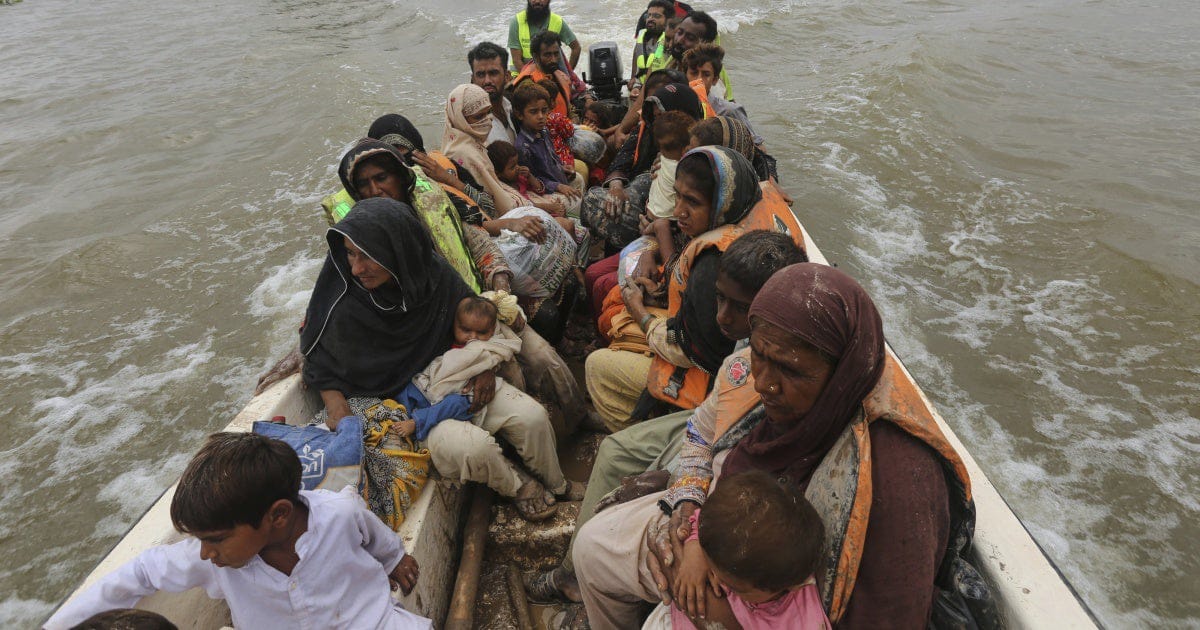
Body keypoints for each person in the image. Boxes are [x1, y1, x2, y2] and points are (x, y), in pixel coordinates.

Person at [572, 262, 980, 630]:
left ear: (841, 372)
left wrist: (729, 613)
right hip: (710, 528)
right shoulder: (749, 371)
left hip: (771, 599)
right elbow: (699, 436)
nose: (763, 381)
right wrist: (687, 515)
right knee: (591, 549)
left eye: (790, 370)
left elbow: (884, 612)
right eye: (760, 355)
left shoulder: (895, 476)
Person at [527, 231, 806, 606]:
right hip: (710, 416)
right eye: (719, 300)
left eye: (739, 308)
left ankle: (576, 576)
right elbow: (705, 429)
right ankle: (575, 573)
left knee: (630, 485)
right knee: (614, 451)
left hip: (720, 441)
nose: (722, 316)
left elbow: (728, 452)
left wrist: (684, 507)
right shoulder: (742, 358)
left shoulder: (784, 376)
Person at [300, 199, 578, 520]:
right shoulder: (344, 302)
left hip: (457, 377)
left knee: (532, 417)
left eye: (367, 255)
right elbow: (319, 362)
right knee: (474, 449)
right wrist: (341, 413)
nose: (356, 268)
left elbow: (470, 314)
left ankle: (558, 484)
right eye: (349, 253)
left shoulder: (432, 276)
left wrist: (487, 366)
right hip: (410, 408)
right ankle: (518, 487)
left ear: (399, 250)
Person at [45, 433, 431, 630]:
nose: (203, 553)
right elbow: (144, 571)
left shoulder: (339, 512)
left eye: (214, 539)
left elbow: (371, 531)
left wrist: (394, 557)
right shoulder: (217, 558)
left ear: (278, 516)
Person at [587, 146, 804, 428]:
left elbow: (692, 352)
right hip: (731, 352)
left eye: (692, 202)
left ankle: (635, 434)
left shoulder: (714, 264)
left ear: (722, 203)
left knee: (598, 364)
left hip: (712, 380)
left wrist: (640, 312)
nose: (678, 212)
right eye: (677, 196)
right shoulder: (751, 205)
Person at [647, 471, 830, 630]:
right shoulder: (734, 523)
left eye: (734, 587)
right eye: (713, 566)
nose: (715, 579)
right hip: (674, 615)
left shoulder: (802, 621)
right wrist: (695, 549)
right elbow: (701, 519)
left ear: (791, 586)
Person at [581, 81, 703, 251]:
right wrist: (616, 187)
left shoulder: (698, 157)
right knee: (600, 201)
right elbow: (622, 159)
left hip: (667, 230)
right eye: (655, 116)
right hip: (640, 206)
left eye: (662, 116)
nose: (656, 123)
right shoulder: (645, 128)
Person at [511, 82, 585, 200]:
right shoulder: (523, 147)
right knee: (575, 201)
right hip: (543, 191)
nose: (541, 116)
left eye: (544, 110)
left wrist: (562, 167)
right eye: (534, 112)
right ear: (519, 115)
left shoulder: (544, 132)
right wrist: (558, 186)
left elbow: (552, 158)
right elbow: (531, 180)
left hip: (557, 179)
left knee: (579, 179)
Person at [488, 139, 578, 234]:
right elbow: (526, 207)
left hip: (545, 207)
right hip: (534, 217)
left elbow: (540, 189)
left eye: (517, 163)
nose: (518, 167)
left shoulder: (520, 179)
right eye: (512, 167)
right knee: (568, 225)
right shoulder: (505, 191)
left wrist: (530, 176)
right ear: (498, 173)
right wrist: (552, 208)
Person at [681, 44, 762, 146]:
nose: (698, 80)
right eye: (694, 73)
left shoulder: (729, 111)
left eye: (706, 74)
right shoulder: (677, 106)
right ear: (684, 75)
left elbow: (758, 148)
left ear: (715, 80)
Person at [513, 31, 574, 118]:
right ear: (536, 56)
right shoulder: (527, 81)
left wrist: (574, 118)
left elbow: (569, 106)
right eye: (547, 55)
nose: (553, 59)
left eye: (556, 54)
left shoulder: (562, 76)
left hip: (565, 127)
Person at [508, 0, 581, 72]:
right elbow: (517, 60)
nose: (537, 1)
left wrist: (568, 74)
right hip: (521, 76)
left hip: (551, 75)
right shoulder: (517, 22)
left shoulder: (557, 21)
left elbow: (576, 48)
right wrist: (533, 80)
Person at [468, 42, 516, 145]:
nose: (487, 81)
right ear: (472, 80)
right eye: (480, 75)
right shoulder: (471, 127)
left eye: (493, 73)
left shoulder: (514, 107)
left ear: (507, 76)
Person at [631, 0, 675, 83]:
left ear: (668, 21)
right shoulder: (642, 35)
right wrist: (633, 79)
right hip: (640, 84)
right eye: (649, 15)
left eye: (657, 16)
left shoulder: (671, 41)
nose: (650, 19)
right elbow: (636, 54)